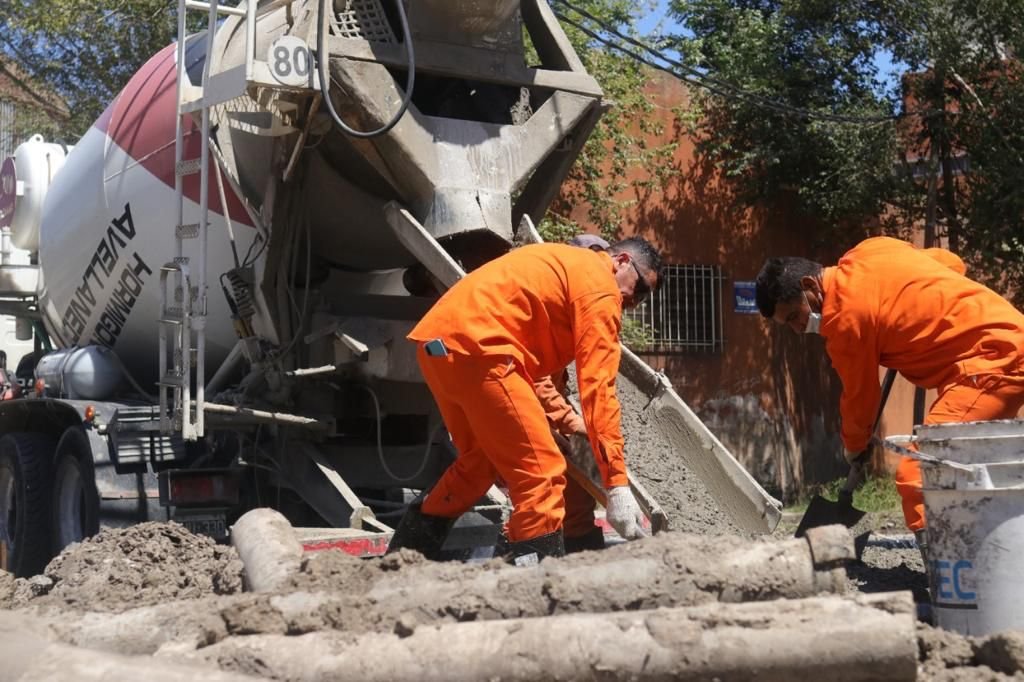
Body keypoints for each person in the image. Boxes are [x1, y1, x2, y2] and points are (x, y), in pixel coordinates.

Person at [387, 236, 662, 561]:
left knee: (480, 464)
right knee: (542, 473)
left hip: (442, 348)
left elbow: (541, 380)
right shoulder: (600, 286)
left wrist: (566, 421)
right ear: (622, 261)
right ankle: (532, 580)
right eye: (640, 288)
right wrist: (616, 485)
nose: (635, 302)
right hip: (484, 351)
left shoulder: (564, 272)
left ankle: (405, 559)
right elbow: (599, 388)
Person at [755, 236, 1024, 555]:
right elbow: (952, 264)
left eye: (793, 316)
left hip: (991, 364)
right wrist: (908, 312)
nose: (798, 329)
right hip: (1006, 339)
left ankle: (948, 576)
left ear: (810, 286)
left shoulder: (844, 320)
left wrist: (854, 447)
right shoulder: (871, 251)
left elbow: (860, 397)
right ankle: (993, 554)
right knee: (971, 471)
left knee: (919, 476)